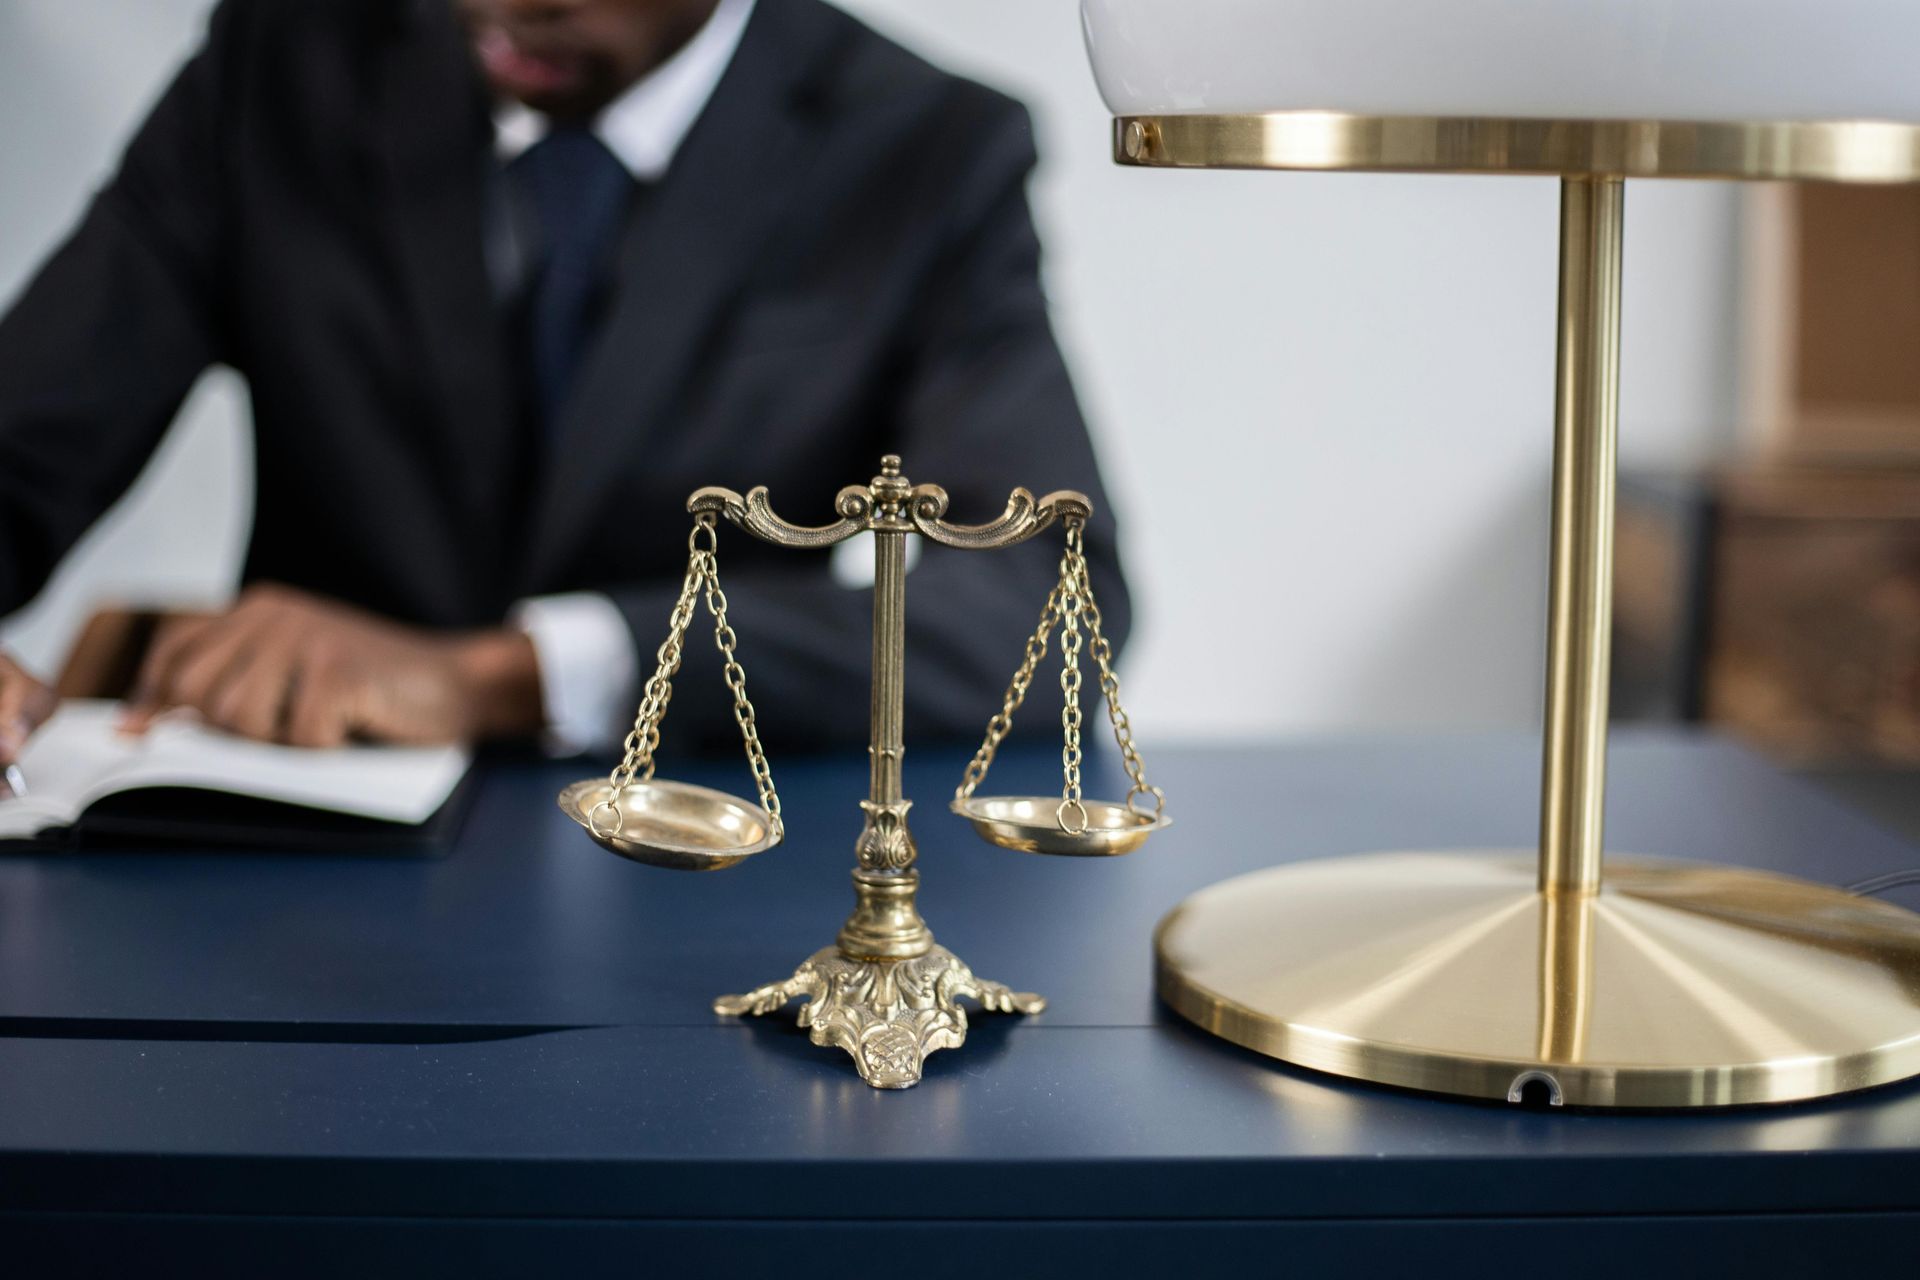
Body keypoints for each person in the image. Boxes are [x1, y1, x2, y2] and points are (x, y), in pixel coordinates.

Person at [0, 0, 1128, 775]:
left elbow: (1050, 609)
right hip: (276, 853)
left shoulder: (926, 150)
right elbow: (27, 433)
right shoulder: (278, 65)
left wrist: (511, 675)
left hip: (694, 877)